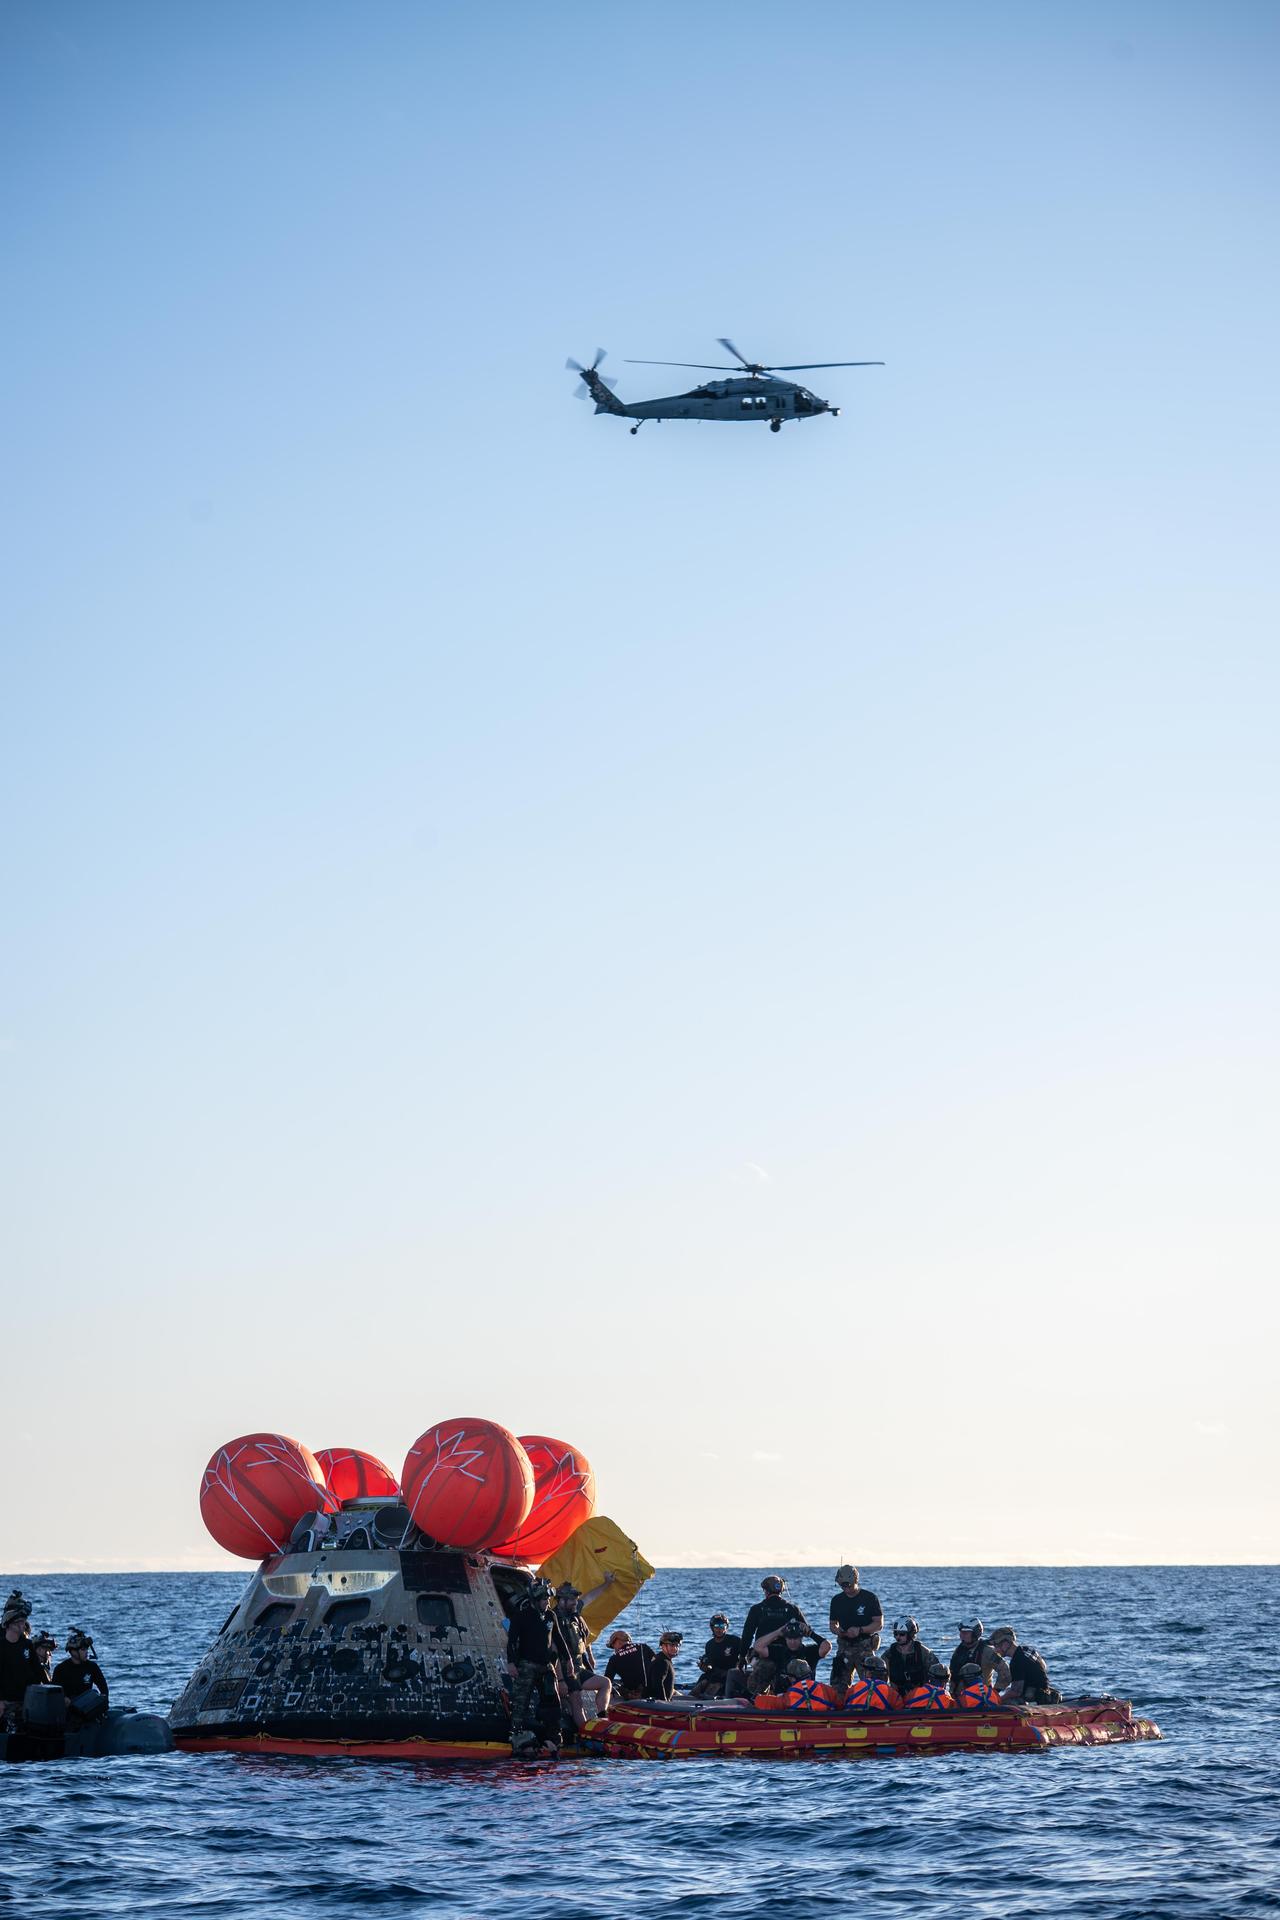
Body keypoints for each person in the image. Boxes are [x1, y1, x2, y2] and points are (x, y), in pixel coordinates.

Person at [505, 1577, 563, 1756]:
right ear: (535, 1601)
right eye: (544, 1600)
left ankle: (554, 1738)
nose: (547, 1603)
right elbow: (512, 1642)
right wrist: (511, 1663)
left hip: (546, 1666)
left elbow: (559, 1640)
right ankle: (515, 1736)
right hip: (527, 1665)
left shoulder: (550, 1616)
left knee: (552, 1702)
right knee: (521, 1701)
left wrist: (567, 1662)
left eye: (548, 1599)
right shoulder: (521, 1617)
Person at [549, 1583, 612, 1730]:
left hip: (578, 1666)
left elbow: (590, 1597)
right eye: (572, 1600)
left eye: (576, 1600)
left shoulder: (574, 1613)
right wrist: (561, 1680)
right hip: (565, 1669)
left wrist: (607, 1583)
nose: (575, 1603)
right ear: (561, 1601)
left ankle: (602, 1716)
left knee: (605, 1683)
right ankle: (585, 1732)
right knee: (577, 1701)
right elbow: (554, 1652)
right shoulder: (553, 1619)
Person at [828, 1566, 883, 1691]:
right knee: (837, 1686)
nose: (846, 1589)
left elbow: (878, 1624)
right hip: (844, 1648)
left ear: (856, 1581)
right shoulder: (837, 1600)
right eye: (842, 1586)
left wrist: (860, 1630)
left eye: (849, 1585)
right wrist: (838, 1631)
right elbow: (832, 1624)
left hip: (864, 1647)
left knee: (872, 1686)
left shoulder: (869, 1598)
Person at [740, 1576, 805, 1677]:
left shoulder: (757, 1609)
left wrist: (742, 1656)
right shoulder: (793, 1609)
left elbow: (747, 1636)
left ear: (765, 1591)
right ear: (781, 1590)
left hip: (763, 1653)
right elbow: (805, 1630)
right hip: (787, 1654)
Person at [751, 1619, 832, 1699]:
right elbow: (758, 1647)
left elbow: (827, 1647)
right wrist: (777, 1632)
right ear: (785, 1638)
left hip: (805, 1695)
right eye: (790, 1639)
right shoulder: (779, 1651)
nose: (792, 1642)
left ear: (801, 1638)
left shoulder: (810, 1651)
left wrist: (811, 1633)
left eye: (796, 1638)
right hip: (782, 1697)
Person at [989, 1628, 1061, 1705]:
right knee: (1008, 1691)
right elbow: (1043, 1666)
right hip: (1044, 1691)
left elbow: (1016, 1691)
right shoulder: (1026, 1649)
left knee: (1004, 1701)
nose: (996, 1650)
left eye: (997, 1646)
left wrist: (997, 1700)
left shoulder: (1017, 1661)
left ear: (1006, 1643)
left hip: (1037, 1698)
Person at [52, 1629, 110, 1724]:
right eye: (83, 1649)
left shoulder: (92, 1667)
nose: (86, 1652)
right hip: (69, 1712)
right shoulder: (61, 1669)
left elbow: (103, 1687)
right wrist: (64, 1699)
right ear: (73, 1651)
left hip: (88, 1709)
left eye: (87, 1649)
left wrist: (104, 1703)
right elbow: (55, 1693)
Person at [1, 1593, 42, 1723]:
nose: (22, 1625)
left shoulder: (27, 1644)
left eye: (23, 1622)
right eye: (19, 1622)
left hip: (27, 1699)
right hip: (5, 1701)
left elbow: (38, 1672)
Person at [947, 1620, 1010, 1699]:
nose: (962, 1635)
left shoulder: (987, 1651)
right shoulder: (959, 1651)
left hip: (980, 1698)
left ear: (975, 1633)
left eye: (966, 1633)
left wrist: (994, 1693)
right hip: (960, 1698)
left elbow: (1006, 1672)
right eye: (961, 1632)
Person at [604, 1631, 675, 1701]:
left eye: (613, 1646)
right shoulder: (643, 1647)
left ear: (617, 1642)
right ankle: (673, 1692)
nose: (614, 1650)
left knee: (618, 1688)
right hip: (654, 1689)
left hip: (638, 1694)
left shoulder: (614, 1658)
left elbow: (607, 1680)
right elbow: (657, 1664)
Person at [755, 1658, 840, 1711]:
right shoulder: (826, 1689)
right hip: (826, 1721)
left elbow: (774, 1703)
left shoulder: (792, 1694)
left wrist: (756, 1699)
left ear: (792, 1678)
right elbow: (841, 1702)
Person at [691, 1613, 744, 1698]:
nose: (719, 1629)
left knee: (712, 1690)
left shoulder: (735, 1641)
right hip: (714, 1675)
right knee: (698, 1689)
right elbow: (710, 1665)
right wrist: (705, 1667)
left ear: (726, 1627)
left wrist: (740, 1665)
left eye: (722, 1626)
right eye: (716, 1626)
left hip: (729, 1676)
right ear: (712, 1628)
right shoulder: (709, 1645)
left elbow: (747, 1655)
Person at [885, 1617, 938, 1696]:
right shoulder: (890, 1654)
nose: (897, 1637)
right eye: (895, 1634)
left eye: (902, 1634)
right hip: (896, 1696)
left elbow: (937, 1674)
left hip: (920, 1696)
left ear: (911, 1634)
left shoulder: (923, 1653)